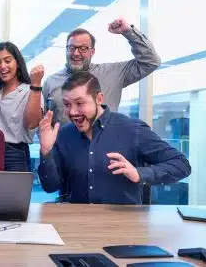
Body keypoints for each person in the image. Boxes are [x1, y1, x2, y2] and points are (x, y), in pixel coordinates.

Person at [38, 72, 191, 204]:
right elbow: (50, 186)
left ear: (99, 99)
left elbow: (181, 165)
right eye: (67, 104)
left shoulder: (132, 129)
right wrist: (46, 151)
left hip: (123, 226)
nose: (72, 112)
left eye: (79, 103)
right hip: (78, 224)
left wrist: (139, 173)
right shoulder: (65, 134)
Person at [43, 17, 161, 126]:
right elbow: (42, 122)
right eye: (71, 48)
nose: (76, 53)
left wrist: (128, 32)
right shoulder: (50, 83)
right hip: (65, 148)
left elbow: (151, 61)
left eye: (83, 48)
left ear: (92, 52)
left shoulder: (113, 73)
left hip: (106, 147)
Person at [0, 41, 44, 172]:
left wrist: (36, 84)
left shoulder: (30, 90)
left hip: (15, 154)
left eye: (7, 61)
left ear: (17, 63)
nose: (2, 66)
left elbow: (32, 124)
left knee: (16, 193)